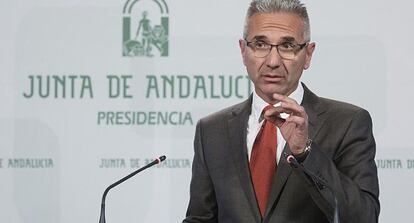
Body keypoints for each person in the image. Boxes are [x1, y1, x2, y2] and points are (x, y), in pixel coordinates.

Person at [183, 0, 380, 222]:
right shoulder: (211, 130)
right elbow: (200, 218)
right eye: (260, 44)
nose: (273, 61)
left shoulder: (347, 123)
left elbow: (364, 217)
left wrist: (305, 153)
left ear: (308, 54)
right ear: (243, 50)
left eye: (287, 46)